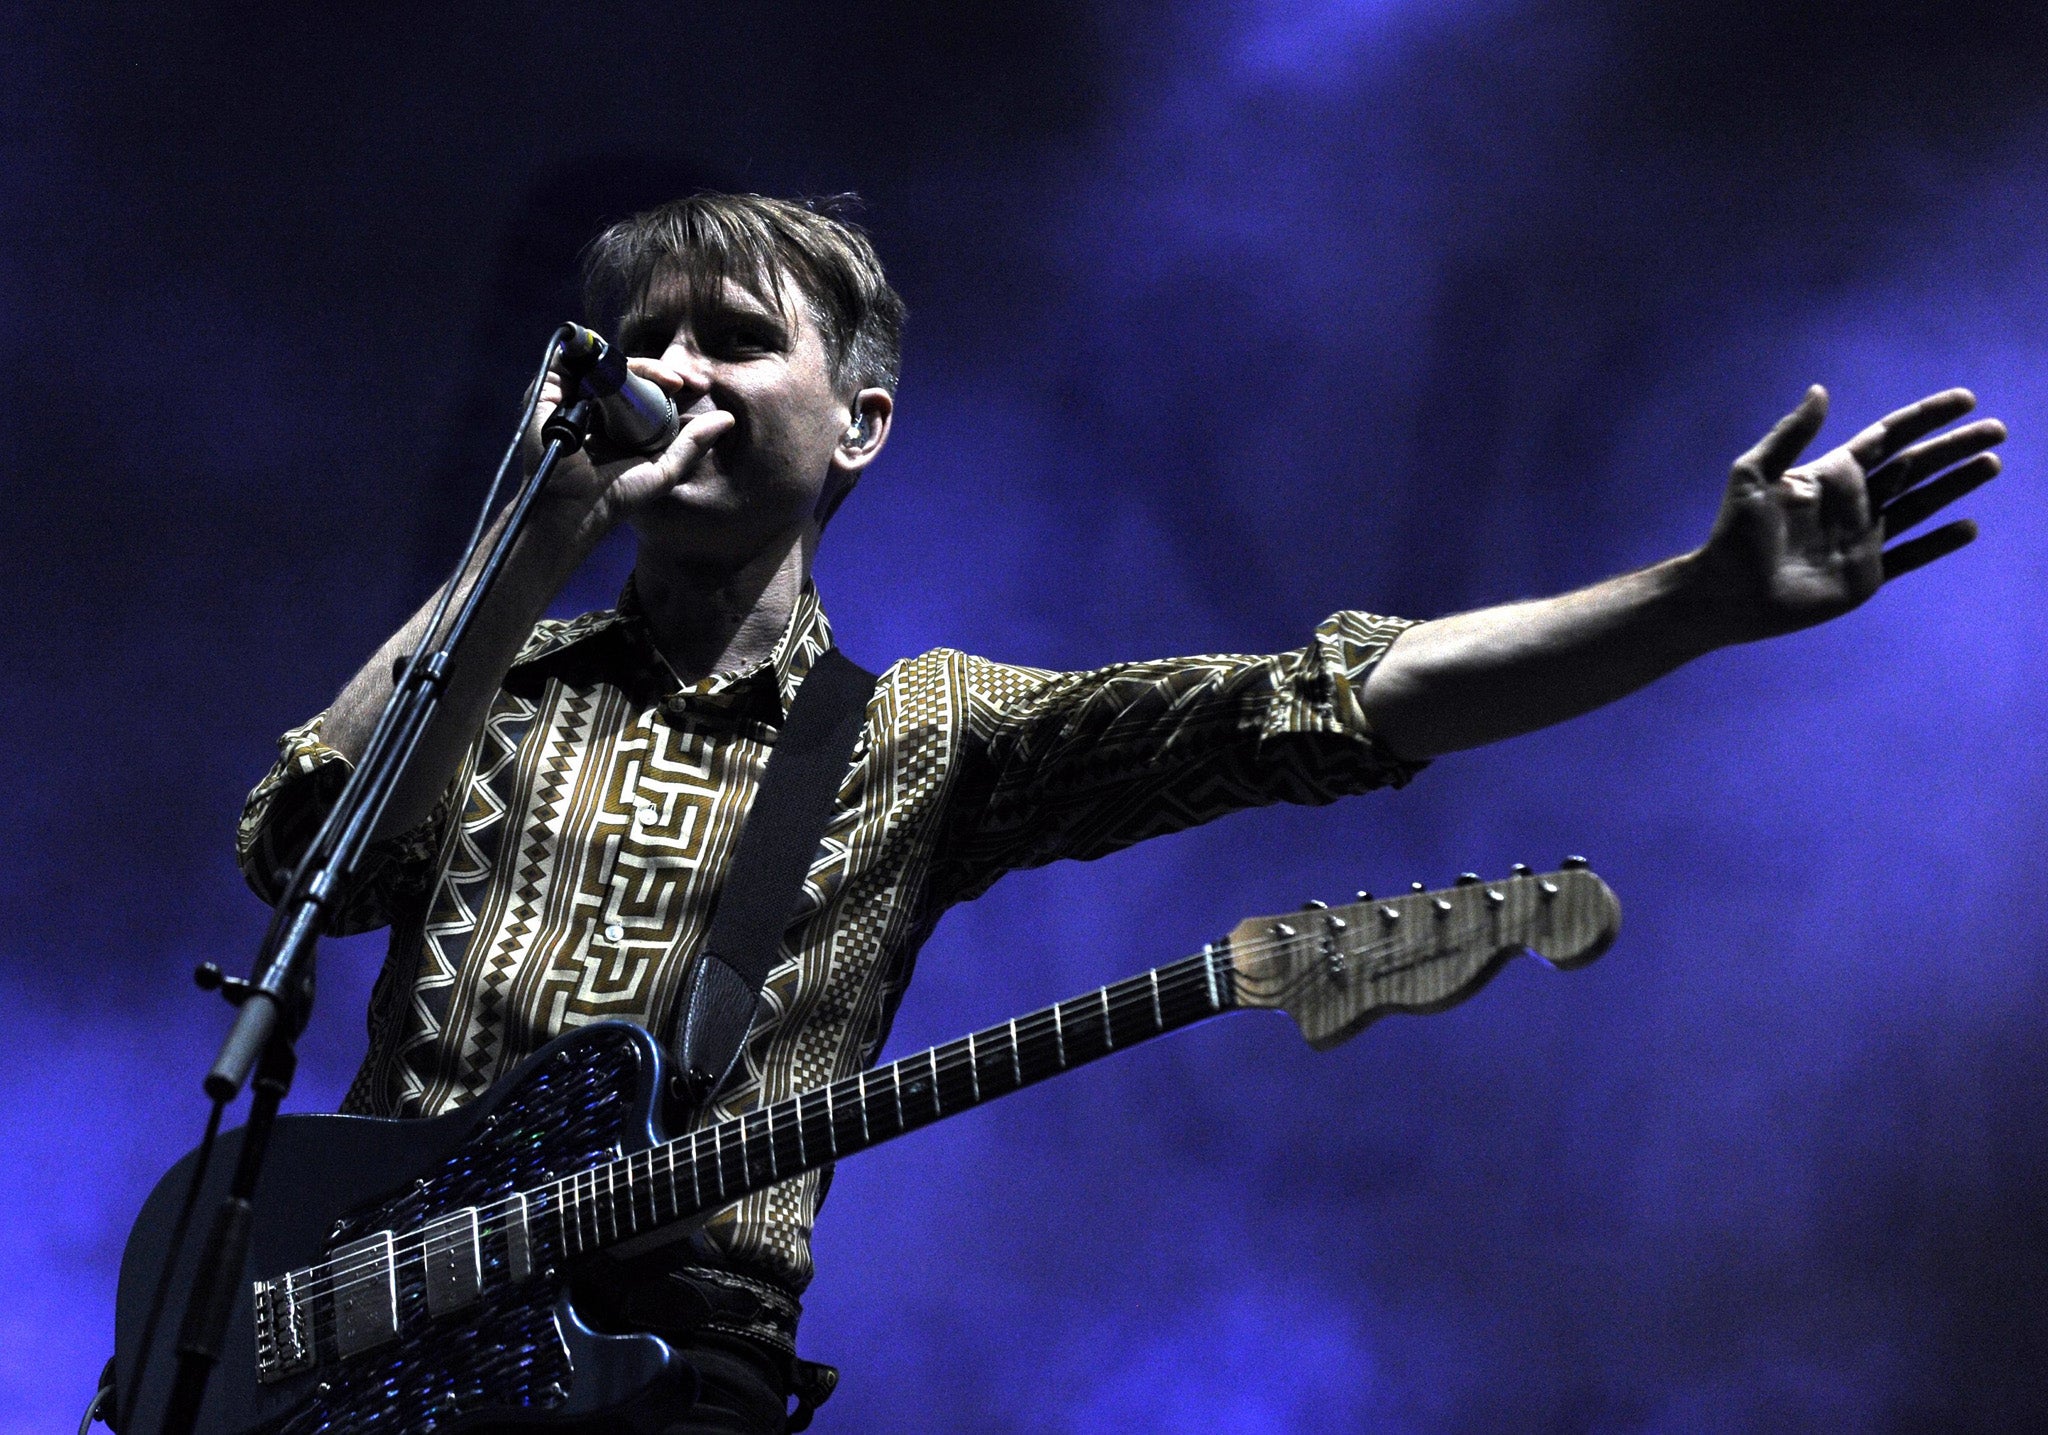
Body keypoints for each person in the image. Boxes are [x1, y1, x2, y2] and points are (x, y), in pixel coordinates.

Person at [236, 193, 2005, 1433]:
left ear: (859, 425)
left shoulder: (924, 730)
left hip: (662, 1355)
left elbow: (1325, 703)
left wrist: (1692, 599)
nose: (678, 371)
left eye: (734, 339)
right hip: (334, 1322)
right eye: (649, 340)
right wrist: (530, 542)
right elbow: (304, 852)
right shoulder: (506, 672)